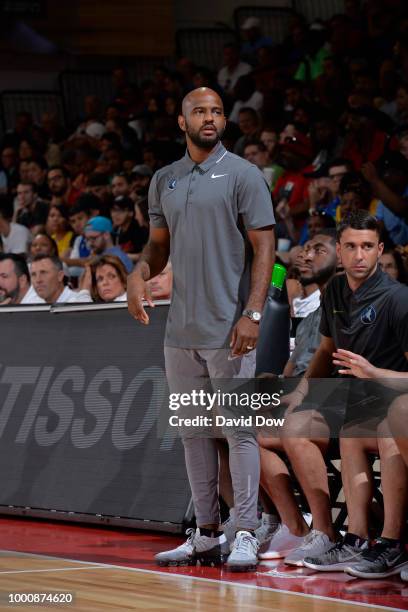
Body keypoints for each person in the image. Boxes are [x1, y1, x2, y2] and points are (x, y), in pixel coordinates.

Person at [128, 87, 275, 571]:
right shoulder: (165, 179)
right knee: (193, 433)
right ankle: (207, 533)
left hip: (229, 328)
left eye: (216, 111)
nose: (209, 118)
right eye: (199, 111)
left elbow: (265, 248)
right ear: (181, 121)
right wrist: (137, 273)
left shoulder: (244, 175)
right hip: (180, 331)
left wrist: (253, 313)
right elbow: (157, 248)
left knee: (240, 432)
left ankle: (247, 530)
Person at [284, 212, 408, 577]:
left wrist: (374, 373)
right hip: (354, 401)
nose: (359, 255)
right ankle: (340, 536)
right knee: (291, 425)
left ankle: (391, 543)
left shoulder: (398, 300)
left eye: (368, 247)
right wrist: (301, 393)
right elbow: (324, 351)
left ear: (379, 250)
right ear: (339, 250)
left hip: (394, 400)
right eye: (351, 246)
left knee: (385, 431)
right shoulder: (336, 290)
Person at [258, 230, 338, 560]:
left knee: (280, 429)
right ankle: (288, 526)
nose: (305, 255)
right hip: (300, 397)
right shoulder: (308, 317)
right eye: (304, 249)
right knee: (227, 423)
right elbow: (291, 369)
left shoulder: (341, 308)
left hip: (330, 404)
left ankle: (322, 530)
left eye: (318, 250)